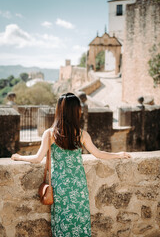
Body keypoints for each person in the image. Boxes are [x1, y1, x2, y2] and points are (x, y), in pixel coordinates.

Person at [11, 92, 131, 236]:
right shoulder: (81, 134)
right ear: (76, 111)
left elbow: (37, 158)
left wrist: (19, 157)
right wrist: (118, 155)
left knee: (63, 222)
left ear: (59, 111)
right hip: (78, 185)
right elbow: (98, 154)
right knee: (80, 221)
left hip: (61, 187)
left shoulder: (50, 134)